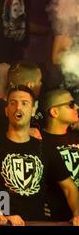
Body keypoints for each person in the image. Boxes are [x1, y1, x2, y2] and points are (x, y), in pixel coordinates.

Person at [0, 85, 79, 226]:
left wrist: (77, 213)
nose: (18, 107)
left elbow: (69, 187)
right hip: (5, 223)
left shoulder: (45, 147)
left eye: (24, 103)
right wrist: (1, 214)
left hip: (38, 222)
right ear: (6, 110)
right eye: (13, 103)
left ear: (33, 110)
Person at [0, 61, 43, 149]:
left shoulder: (37, 108)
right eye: (39, 81)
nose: (41, 84)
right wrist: (21, 133)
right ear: (30, 85)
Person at [40, 89, 79, 221]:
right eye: (71, 104)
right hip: (54, 217)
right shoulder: (38, 140)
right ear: (54, 112)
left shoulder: (77, 136)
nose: (77, 107)